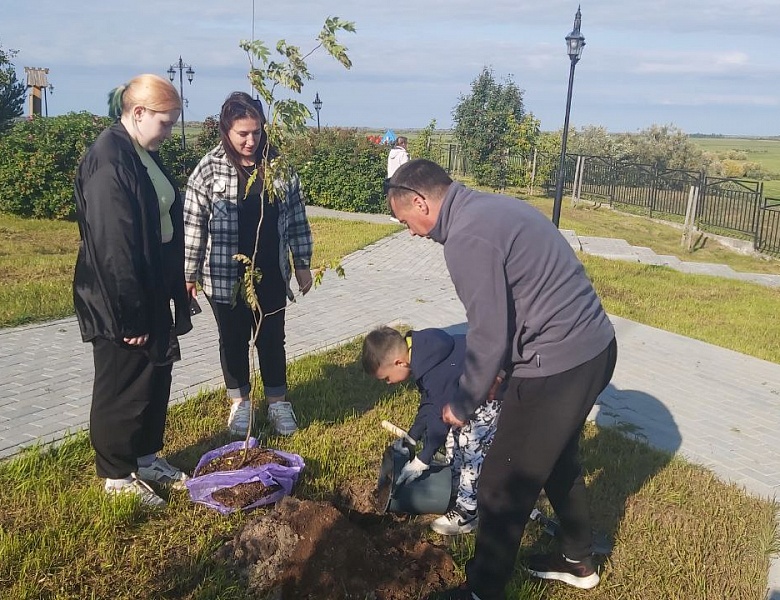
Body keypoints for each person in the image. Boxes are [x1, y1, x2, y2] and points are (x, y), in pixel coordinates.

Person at [385, 160, 618, 599]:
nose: (411, 232)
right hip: (594, 348)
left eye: (405, 221)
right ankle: (576, 559)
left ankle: (481, 590)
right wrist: (501, 372)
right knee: (556, 458)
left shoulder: (465, 238)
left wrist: (464, 400)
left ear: (421, 201)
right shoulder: (489, 209)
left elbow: (489, 332)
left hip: (559, 364)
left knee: (500, 481)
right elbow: (517, 307)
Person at [72, 74, 193, 508]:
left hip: (151, 286)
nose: (168, 131)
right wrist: (130, 315)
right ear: (138, 113)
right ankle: (116, 474)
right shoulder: (109, 160)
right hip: (120, 296)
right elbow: (113, 246)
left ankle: (144, 457)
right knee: (123, 383)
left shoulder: (140, 152)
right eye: (165, 121)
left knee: (154, 375)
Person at [184, 91, 313, 438]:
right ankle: (240, 403)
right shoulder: (209, 170)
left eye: (256, 132)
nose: (251, 141)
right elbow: (194, 224)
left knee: (272, 337)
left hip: (270, 270)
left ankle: (277, 403)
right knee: (233, 338)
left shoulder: (278, 166)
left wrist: (302, 263)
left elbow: (297, 217)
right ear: (226, 131)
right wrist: (188, 273)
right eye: (243, 134)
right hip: (224, 275)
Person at [362, 326, 501, 535]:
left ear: (399, 362)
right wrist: (412, 437)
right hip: (468, 395)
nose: (389, 384)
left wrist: (423, 459)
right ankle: (457, 488)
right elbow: (429, 402)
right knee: (454, 440)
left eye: (387, 378)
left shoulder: (435, 373)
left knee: (469, 443)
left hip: (491, 396)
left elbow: (439, 420)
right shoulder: (423, 354)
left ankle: (468, 512)